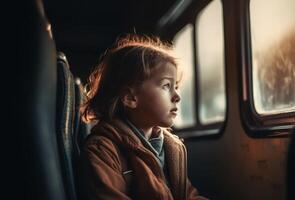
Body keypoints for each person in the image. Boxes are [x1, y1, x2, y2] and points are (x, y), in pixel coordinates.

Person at [78, 34, 208, 200]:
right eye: (166, 86)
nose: (177, 96)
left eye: (176, 86)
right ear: (130, 98)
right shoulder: (102, 150)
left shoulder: (170, 147)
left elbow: (187, 195)